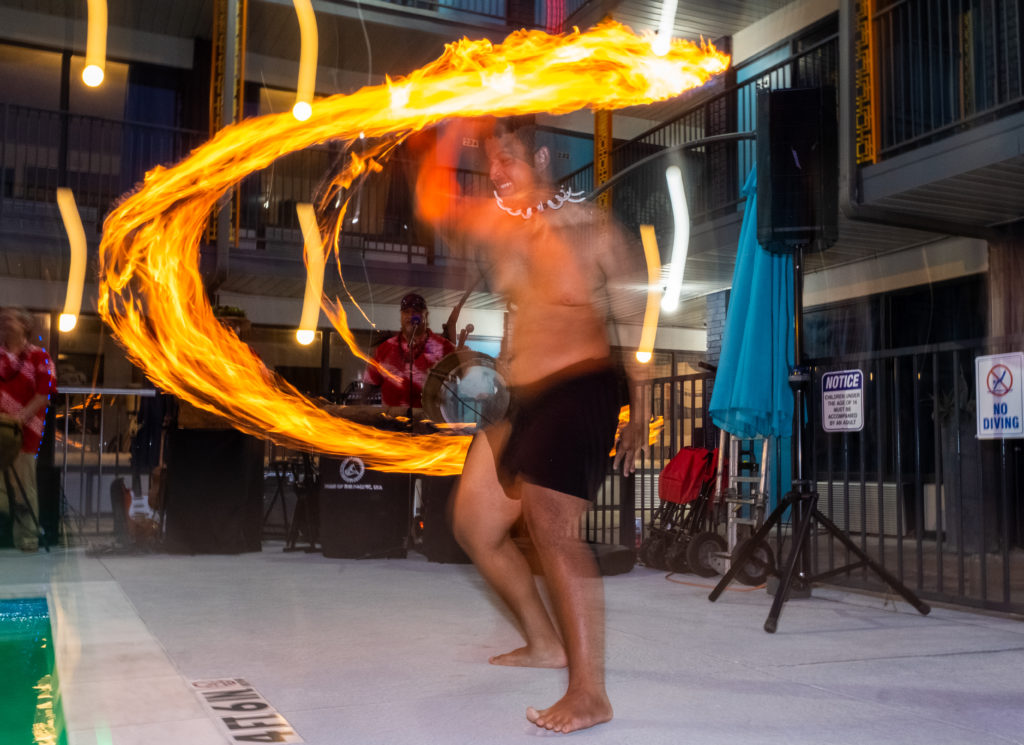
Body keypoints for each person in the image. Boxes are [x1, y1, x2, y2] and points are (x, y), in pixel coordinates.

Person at [416, 117, 646, 733]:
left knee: (552, 527)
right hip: (516, 397)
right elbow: (434, 201)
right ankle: (543, 641)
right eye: (488, 161)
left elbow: (635, 319)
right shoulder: (499, 225)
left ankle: (590, 691)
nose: (495, 173)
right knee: (474, 524)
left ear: (542, 157)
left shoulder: (594, 230)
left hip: (581, 388)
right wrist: (449, 127)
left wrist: (642, 409)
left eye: (508, 159)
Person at [0, 307, 56, 552]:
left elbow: (44, 395)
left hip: (25, 432)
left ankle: (27, 539)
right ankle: (4, 536)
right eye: (3, 319)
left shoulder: (39, 357)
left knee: (24, 485)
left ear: (25, 325)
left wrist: (19, 418)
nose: (5, 322)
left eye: (11, 318)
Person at [362, 292, 455, 411]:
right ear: (401, 315)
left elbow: (458, 385)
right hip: (391, 425)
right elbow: (368, 386)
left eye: (416, 311)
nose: (411, 316)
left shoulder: (444, 347)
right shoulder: (385, 348)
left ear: (426, 315)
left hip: (429, 425)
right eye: (406, 312)